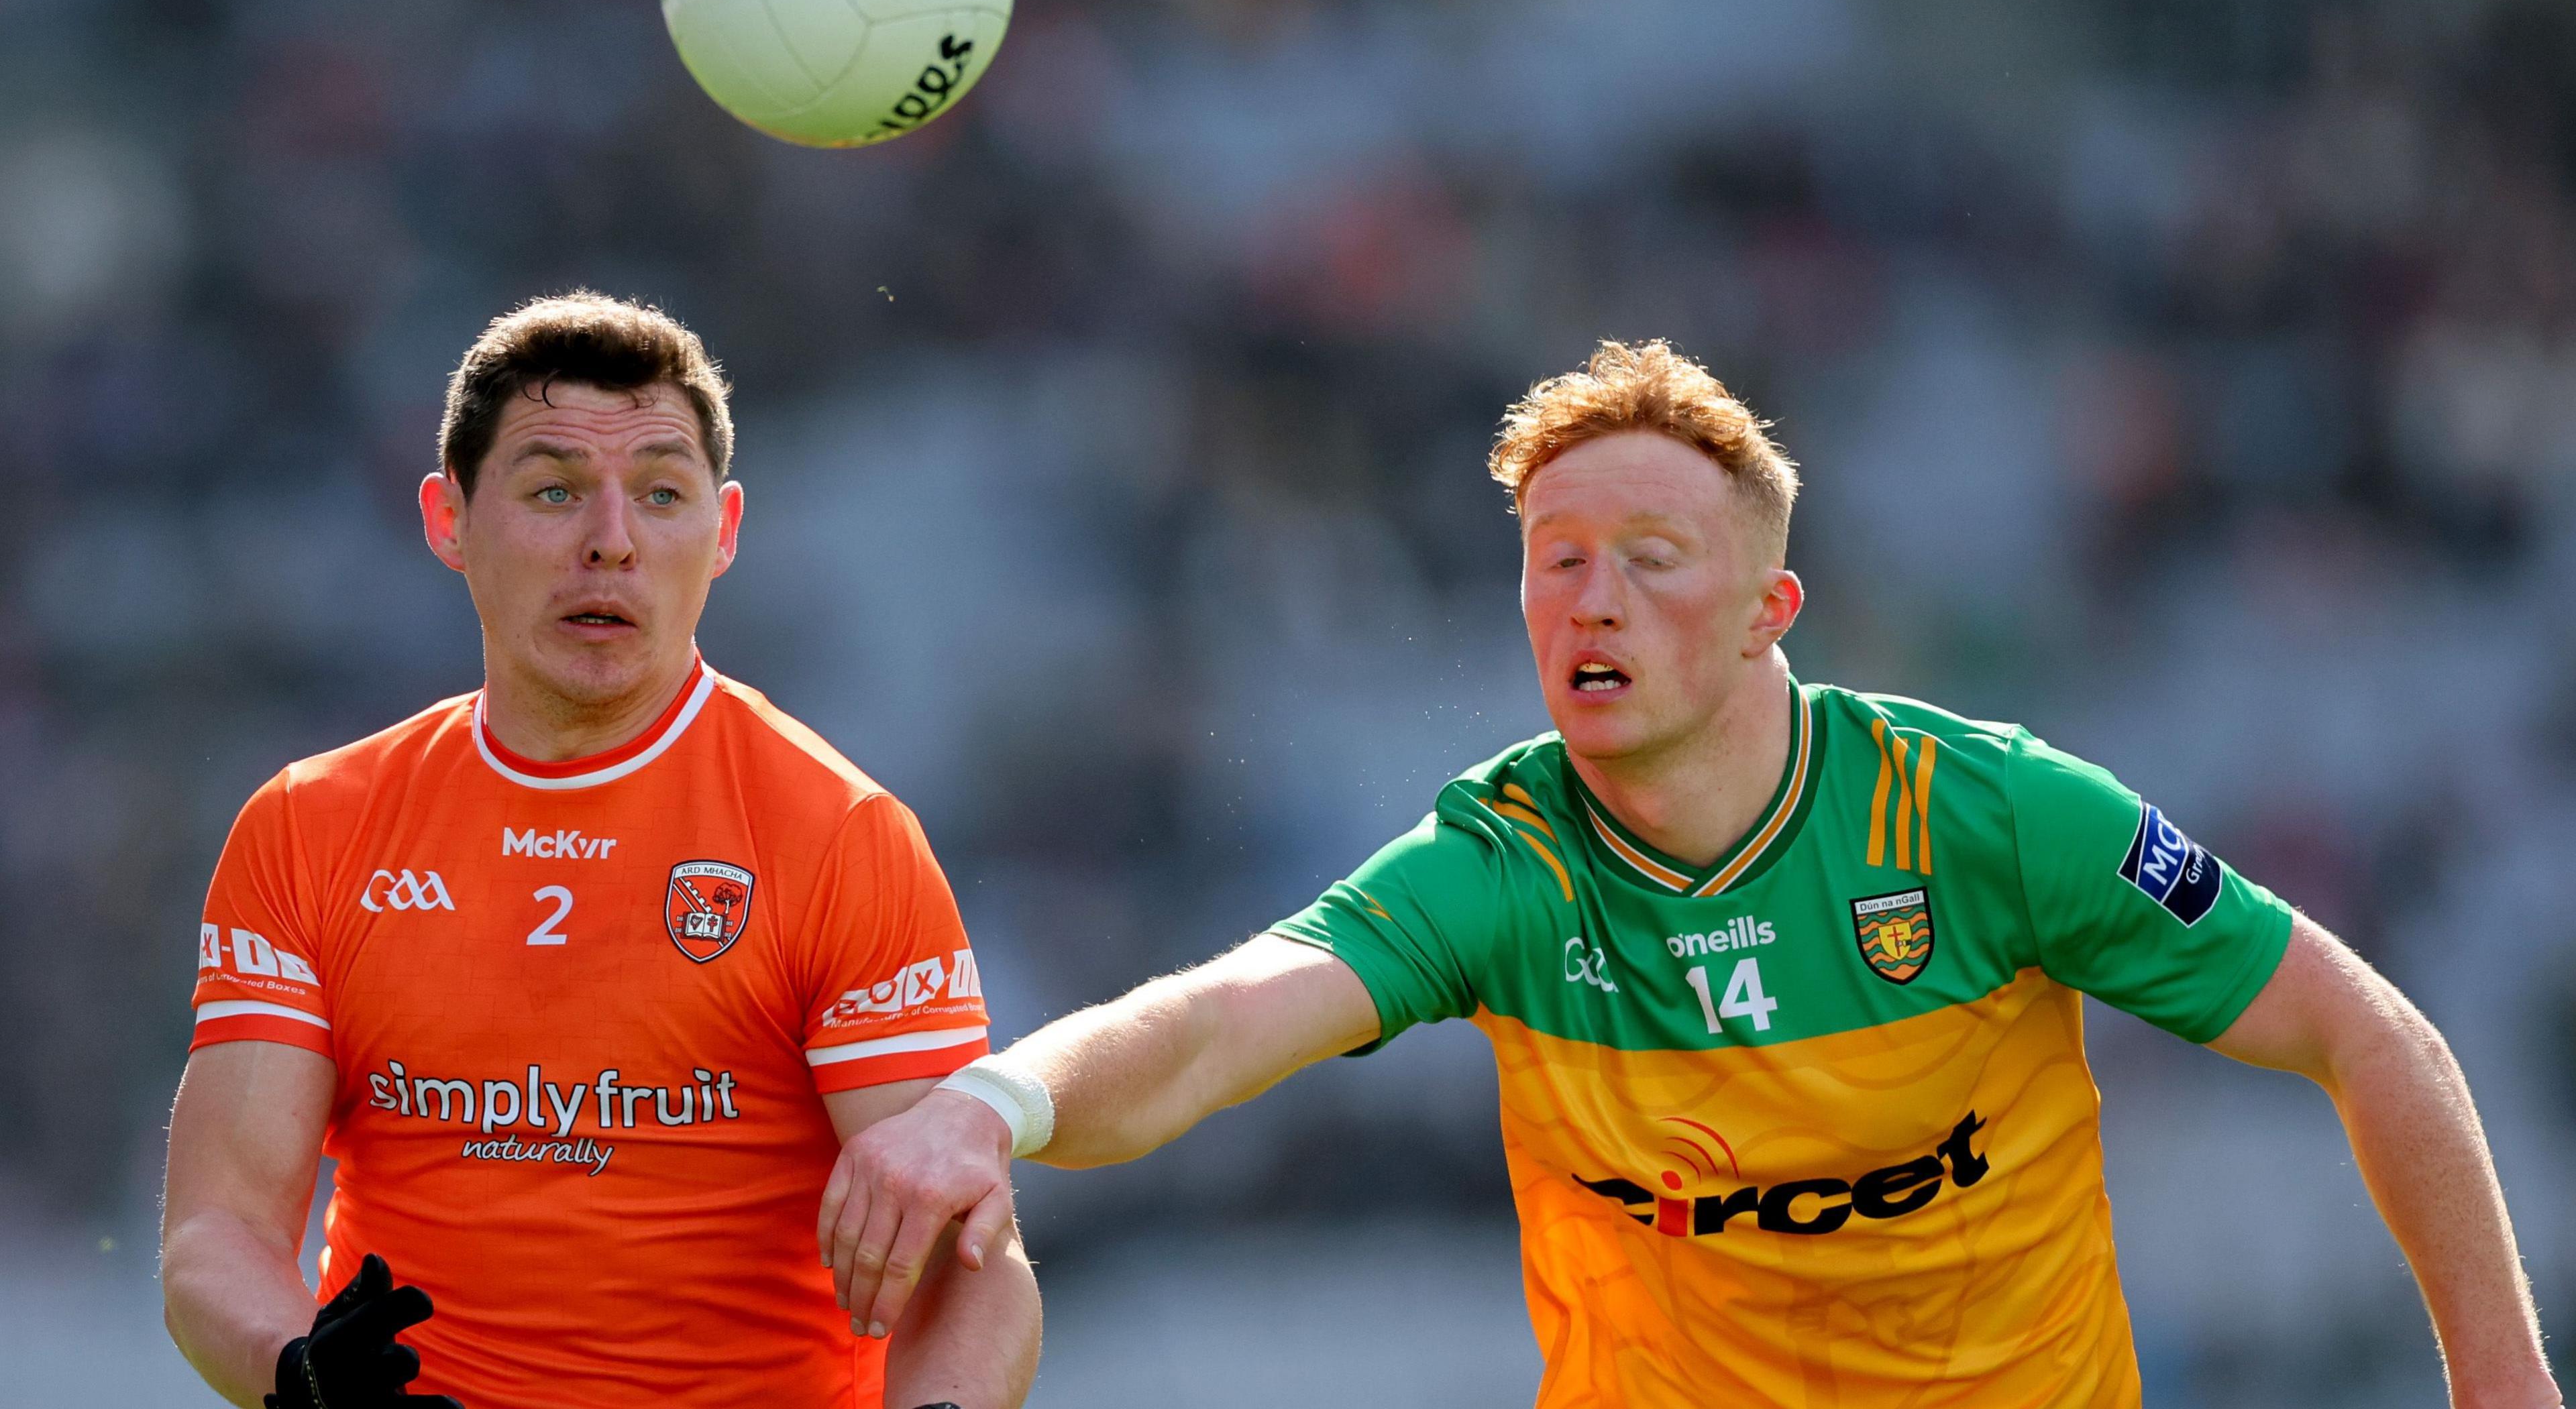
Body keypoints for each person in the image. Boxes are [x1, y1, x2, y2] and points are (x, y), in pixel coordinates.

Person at [829, 341, 2561, 1407]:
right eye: (1554, 561)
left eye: (1650, 561)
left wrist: (2498, 1374)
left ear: (1767, 614)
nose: (1588, 601)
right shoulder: (1502, 866)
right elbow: (1218, 1022)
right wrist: (1000, 1101)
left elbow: (2365, 1030)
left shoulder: (1983, 818)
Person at [162, 292, 1039, 1409]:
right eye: (553, 490)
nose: (610, 540)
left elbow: (966, 1267)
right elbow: (219, 1227)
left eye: (661, 494)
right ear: (447, 521)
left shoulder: (841, 836)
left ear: (722, 535)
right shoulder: (309, 826)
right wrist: (301, 1377)